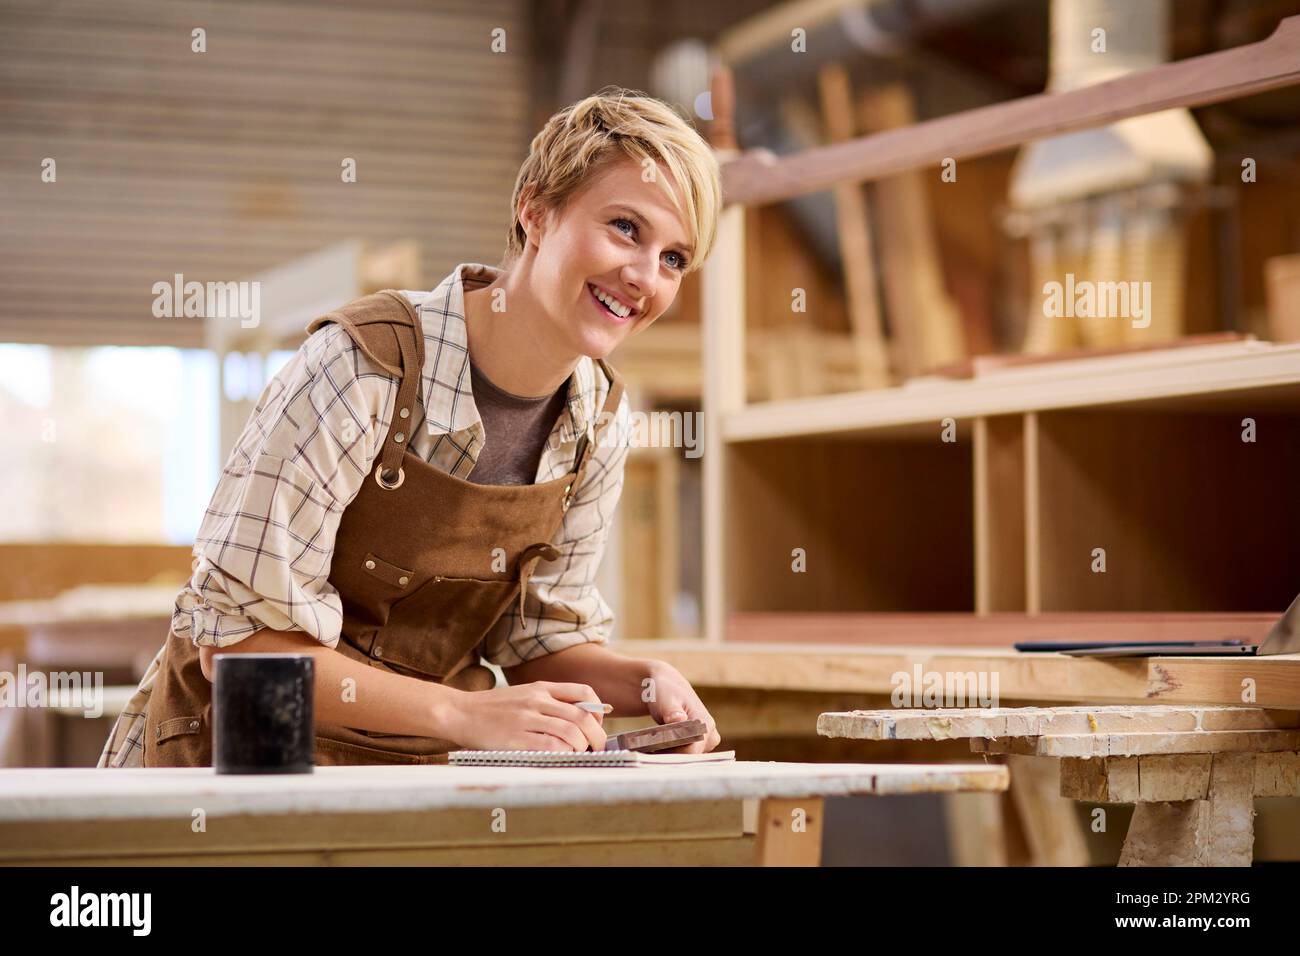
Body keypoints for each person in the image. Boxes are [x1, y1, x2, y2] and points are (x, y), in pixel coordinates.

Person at [98, 86, 723, 767]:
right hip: (241, 761)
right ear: (535, 211)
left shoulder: (597, 419)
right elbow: (241, 649)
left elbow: (537, 641)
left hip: (411, 777)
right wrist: (462, 711)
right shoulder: (361, 368)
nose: (644, 277)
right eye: (626, 228)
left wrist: (642, 681)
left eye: (674, 259)